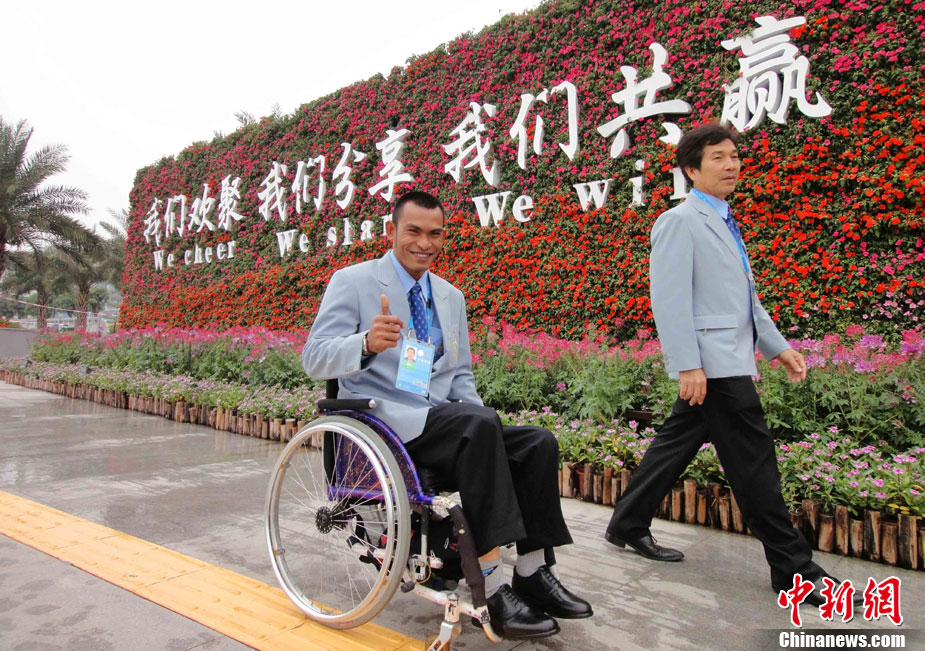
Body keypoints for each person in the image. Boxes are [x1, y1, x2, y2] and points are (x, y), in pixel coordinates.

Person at [303, 190, 592, 639]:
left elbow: (460, 376)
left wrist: (484, 422)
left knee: (537, 442)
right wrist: (365, 343)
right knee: (477, 426)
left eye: (435, 233)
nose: (425, 243)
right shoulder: (354, 282)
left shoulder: (450, 296)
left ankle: (532, 572)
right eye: (413, 231)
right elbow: (314, 358)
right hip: (386, 424)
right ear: (391, 231)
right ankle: (492, 588)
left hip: (438, 421)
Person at [604, 123, 862, 607]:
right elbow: (669, 300)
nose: (731, 165)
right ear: (691, 169)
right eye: (717, 157)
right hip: (714, 365)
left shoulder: (723, 219)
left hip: (726, 358)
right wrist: (687, 365)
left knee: (676, 442)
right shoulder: (680, 221)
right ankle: (794, 570)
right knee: (754, 463)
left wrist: (777, 347)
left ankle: (627, 522)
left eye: (734, 156)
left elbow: (744, 298)